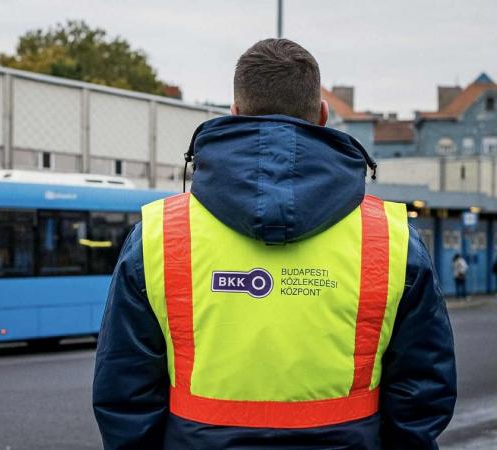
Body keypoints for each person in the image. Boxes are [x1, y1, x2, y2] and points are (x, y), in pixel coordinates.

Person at [93, 39, 456, 449]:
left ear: (234, 114)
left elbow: (124, 392)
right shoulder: (391, 237)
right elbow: (423, 390)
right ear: (321, 116)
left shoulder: (160, 233)